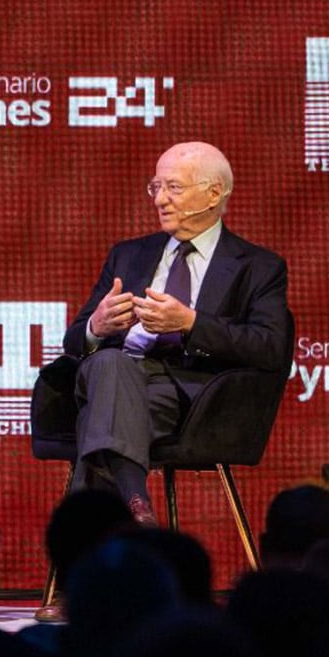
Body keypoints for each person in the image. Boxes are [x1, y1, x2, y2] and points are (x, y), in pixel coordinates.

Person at [63, 141, 293, 526]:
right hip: (116, 374)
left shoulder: (258, 266)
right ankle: (137, 508)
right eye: (156, 187)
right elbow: (74, 342)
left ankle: (93, 537)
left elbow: (270, 346)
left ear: (213, 194)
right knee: (109, 363)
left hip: (191, 398)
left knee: (101, 416)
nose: (160, 200)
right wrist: (95, 326)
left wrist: (190, 324)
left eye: (174, 187)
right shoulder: (128, 255)